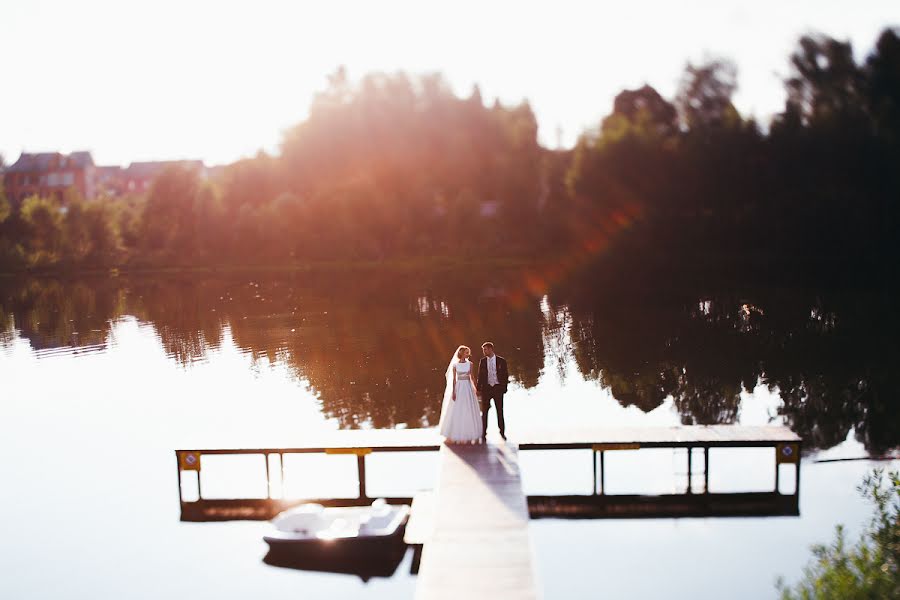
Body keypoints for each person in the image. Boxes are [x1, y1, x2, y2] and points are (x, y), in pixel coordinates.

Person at [437, 345, 484, 444]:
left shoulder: (470, 364)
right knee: (457, 409)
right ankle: (454, 434)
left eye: (468, 352)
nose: (468, 354)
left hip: (467, 387)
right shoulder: (455, 365)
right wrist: (454, 392)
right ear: (461, 353)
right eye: (466, 352)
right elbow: (454, 380)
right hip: (459, 387)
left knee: (468, 408)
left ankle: (469, 434)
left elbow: (472, 377)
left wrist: (475, 389)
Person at [477, 341, 508, 441]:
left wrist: (504, 388)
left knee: (499, 411)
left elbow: (505, 375)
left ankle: (502, 432)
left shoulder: (501, 361)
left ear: (490, 349)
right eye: (483, 350)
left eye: (485, 349)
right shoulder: (482, 361)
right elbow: (480, 376)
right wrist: (478, 389)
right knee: (485, 412)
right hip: (486, 389)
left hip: (497, 388)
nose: (484, 351)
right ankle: (483, 433)